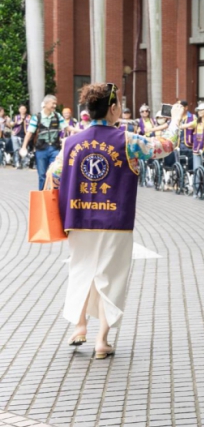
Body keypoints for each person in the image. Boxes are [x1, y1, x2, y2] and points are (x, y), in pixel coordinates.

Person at [47, 83, 184, 359]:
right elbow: (165, 146)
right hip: (115, 219)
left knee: (81, 270)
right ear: (112, 109)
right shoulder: (129, 140)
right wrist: (177, 120)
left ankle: (79, 325)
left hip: (78, 217)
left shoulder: (72, 142)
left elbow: (56, 175)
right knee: (112, 277)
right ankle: (102, 340)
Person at [20, 95, 77, 190]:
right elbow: (29, 133)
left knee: (56, 173)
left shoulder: (57, 116)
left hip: (54, 149)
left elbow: (67, 128)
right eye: (52, 103)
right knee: (42, 175)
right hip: (41, 149)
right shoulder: (36, 117)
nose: (54, 105)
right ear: (46, 104)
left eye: (55, 103)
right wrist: (23, 146)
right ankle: (42, 197)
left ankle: (55, 196)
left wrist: (82, 131)